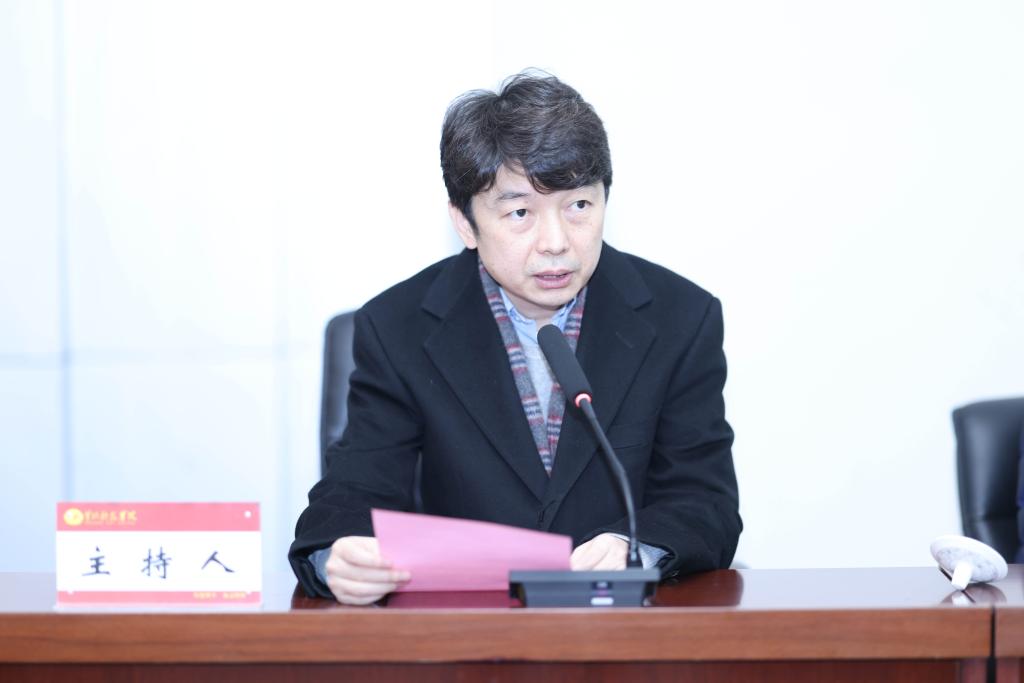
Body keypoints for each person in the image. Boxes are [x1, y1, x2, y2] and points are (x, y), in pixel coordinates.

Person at [289, 72, 741, 604]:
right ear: (465, 223)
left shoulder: (680, 319)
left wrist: (633, 548)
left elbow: (705, 501)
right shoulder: (397, 329)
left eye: (579, 206)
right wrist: (339, 555)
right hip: (465, 630)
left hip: (620, 626)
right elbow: (351, 495)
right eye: (520, 213)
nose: (556, 242)